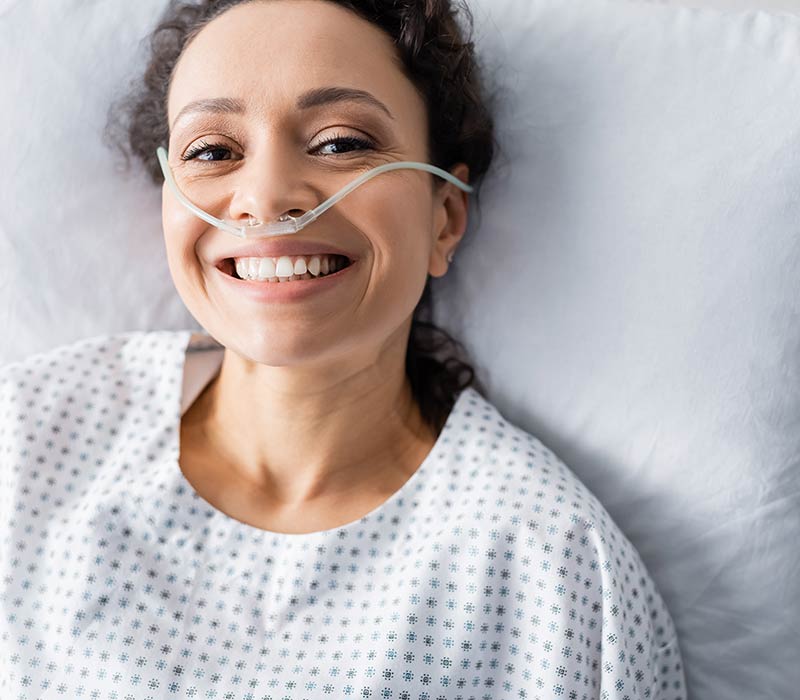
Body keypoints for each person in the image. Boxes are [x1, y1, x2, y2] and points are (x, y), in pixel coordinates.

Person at [0, 1, 687, 698]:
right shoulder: (26, 448)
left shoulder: (552, 570)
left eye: (340, 143)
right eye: (212, 151)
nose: (267, 198)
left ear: (443, 219)